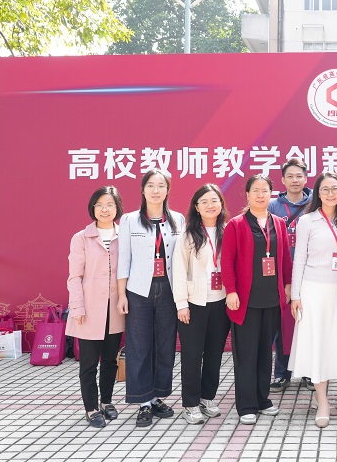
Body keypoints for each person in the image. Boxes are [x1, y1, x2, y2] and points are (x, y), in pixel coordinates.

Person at [222, 175, 293, 425]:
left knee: (265, 351)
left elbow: (285, 258)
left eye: (265, 190)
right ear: (248, 195)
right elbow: (227, 261)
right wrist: (231, 291)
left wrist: (287, 285)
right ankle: (246, 405)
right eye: (256, 191)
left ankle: (263, 399)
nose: (260, 195)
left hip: (272, 299)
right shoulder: (236, 225)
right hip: (245, 301)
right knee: (246, 354)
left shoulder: (279, 223)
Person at [116, 169, 185, 427]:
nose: (156, 191)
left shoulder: (177, 219)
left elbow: (182, 258)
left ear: (167, 190)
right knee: (139, 346)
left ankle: (157, 397)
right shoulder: (130, 220)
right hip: (139, 291)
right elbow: (124, 260)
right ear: (143, 190)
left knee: (165, 346)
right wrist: (122, 295)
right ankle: (143, 402)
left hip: (169, 289)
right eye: (151, 186)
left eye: (161, 186)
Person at [289, 172, 337, 428]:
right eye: (325, 189)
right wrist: (296, 295)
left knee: (332, 344)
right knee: (316, 344)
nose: (330, 193)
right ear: (317, 193)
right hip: (313, 291)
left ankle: (323, 396)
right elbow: (299, 259)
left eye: (335, 189)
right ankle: (323, 401)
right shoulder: (307, 221)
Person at [66, 186, 126, 428]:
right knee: (89, 364)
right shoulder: (81, 238)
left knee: (110, 360)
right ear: (93, 208)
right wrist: (77, 308)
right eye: (100, 205)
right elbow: (74, 277)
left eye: (110, 205)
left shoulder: (124, 236)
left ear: (117, 208)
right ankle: (91, 408)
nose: (105, 209)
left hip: (115, 309)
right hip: (89, 310)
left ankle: (107, 402)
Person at [172, 184, 231, 424]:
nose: (210, 205)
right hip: (194, 303)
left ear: (221, 205)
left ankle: (207, 398)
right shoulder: (187, 235)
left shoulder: (228, 231)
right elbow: (178, 271)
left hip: (221, 302)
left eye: (214, 200)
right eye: (204, 201)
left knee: (215, 354)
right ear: (196, 207)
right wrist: (181, 304)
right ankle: (190, 404)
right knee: (192, 356)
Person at [266, 158, 313, 392]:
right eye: (290, 176)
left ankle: (308, 373)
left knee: (308, 324)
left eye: (299, 176)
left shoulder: (315, 203)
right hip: (281, 274)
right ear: (283, 180)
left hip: (310, 274)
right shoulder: (272, 206)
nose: (295, 180)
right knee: (282, 326)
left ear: (306, 178)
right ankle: (281, 373)